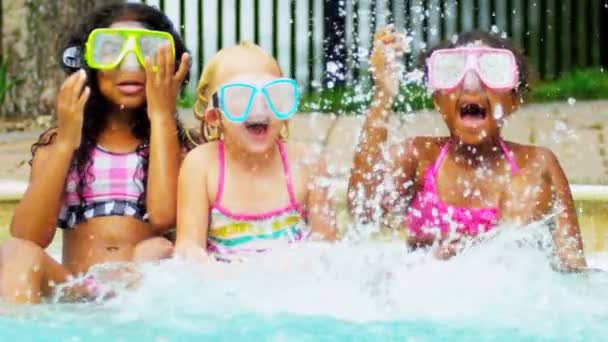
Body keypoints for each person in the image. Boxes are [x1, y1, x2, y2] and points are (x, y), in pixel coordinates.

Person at [348, 26, 587, 271]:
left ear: (514, 101)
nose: (472, 87)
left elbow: (574, 267)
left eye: (492, 72)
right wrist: (383, 95)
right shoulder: (418, 157)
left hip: (508, 298)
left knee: (529, 185)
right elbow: (363, 211)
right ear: (437, 100)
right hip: (426, 295)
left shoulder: (537, 163)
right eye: (452, 72)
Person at [0, 3, 190, 303]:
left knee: (157, 249)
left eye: (148, 52)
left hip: (142, 294)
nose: (130, 65)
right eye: (111, 50)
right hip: (76, 290)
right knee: (16, 253)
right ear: (88, 64)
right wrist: (65, 143)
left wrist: (163, 116)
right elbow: (29, 235)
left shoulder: (176, 146)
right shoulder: (61, 143)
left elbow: (165, 218)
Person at [175, 42, 337, 263]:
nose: (259, 106)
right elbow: (188, 247)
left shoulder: (307, 163)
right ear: (215, 117)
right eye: (240, 96)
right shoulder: (202, 165)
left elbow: (329, 248)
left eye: (274, 94)